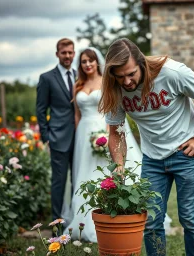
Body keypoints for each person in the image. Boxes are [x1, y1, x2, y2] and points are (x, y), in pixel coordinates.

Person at [99, 38, 194, 256]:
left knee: (189, 217)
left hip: (185, 153)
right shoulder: (115, 88)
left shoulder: (171, 72)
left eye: (131, 74)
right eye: (120, 76)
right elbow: (115, 131)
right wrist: (119, 165)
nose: (127, 82)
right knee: (151, 221)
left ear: (141, 63)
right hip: (152, 159)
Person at [62, 47, 172, 242]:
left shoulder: (106, 82)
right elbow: (77, 115)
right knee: (85, 174)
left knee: (110, 169)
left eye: (91, 60)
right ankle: (85, 220)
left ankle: (123, 214)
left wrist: (105, 134)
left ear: (97, 62)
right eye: (84, 61)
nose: (87, 64)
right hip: (83, 134)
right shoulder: (77, 85)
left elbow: (112, 108)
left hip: (105, 128)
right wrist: (78, 138)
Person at [36, 38, 76, 222]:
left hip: (80, 137)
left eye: (70, 52)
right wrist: (46, 136)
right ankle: (56, 223)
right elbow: (41, 109)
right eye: (64, 52)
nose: (67, 56)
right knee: (59, 182)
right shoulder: (47, 78)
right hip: (58, 138)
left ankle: (77, 220)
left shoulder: (80, 75)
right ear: (57, 54)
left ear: (74, 54)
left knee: (78, 180)